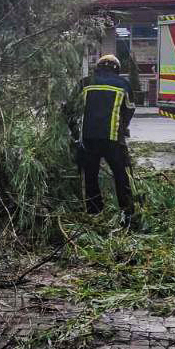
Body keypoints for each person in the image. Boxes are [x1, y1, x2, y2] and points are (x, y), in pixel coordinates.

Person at [65, 54, 137, 224]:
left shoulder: (85, 83)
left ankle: (94, 212)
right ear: (116, 68)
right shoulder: (124, 84)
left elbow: (69, 109)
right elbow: (129, 110)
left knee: (90, 176)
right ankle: (127, 213)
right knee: (122, 175)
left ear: (97, 67)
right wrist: (121, 128)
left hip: (88, 139)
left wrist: (76, 134)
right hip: (113, 139)